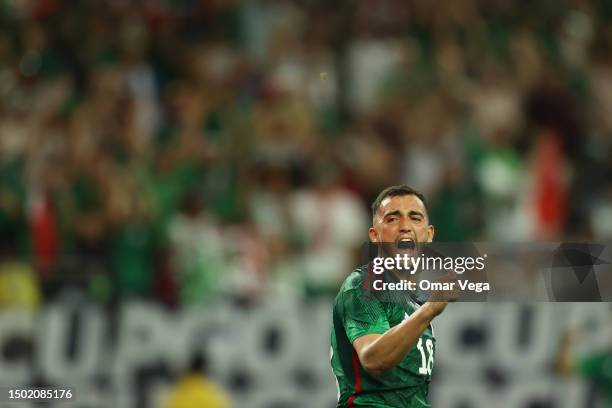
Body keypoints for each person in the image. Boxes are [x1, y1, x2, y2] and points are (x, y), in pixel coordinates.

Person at [330, 185, 454, 407]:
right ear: (375, 235)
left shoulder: (415, 301)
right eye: (392, 219)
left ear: (429, 234)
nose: (405, 226)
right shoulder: (363, 285)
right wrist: (430, 310)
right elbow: (373, 358)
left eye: (415, 218)